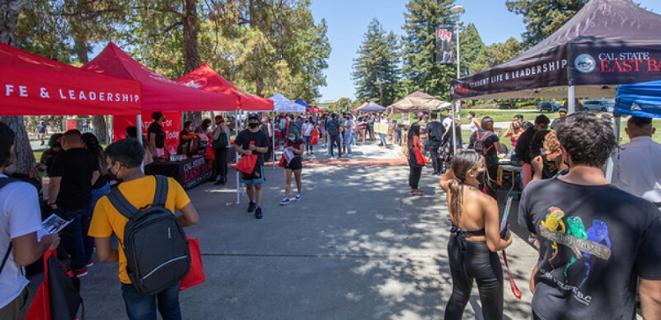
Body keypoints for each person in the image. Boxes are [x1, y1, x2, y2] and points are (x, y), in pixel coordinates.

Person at [519, 112, 661, 320]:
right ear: (608, 152)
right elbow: (653, 294)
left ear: (564, 151)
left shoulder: (535, 191)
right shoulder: (645, 214)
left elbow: (542, 242)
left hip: (546, 308)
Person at [88, 139, 199, 320]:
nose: (108, 169)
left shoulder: (106, 203)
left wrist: (133, 254)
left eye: (109, 164)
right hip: (170, 262)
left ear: (119, 165)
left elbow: (103, 254)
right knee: (171, 308)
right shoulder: (168, 184)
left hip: (134, 276)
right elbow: (193, 218)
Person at [440, 150, 513, 320]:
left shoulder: (452, 188)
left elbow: (443, 178)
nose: (484, 170)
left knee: (459, 294)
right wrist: (508, 240)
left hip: (456, 246)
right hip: (481, 255)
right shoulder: (487, 201)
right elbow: (494, 244)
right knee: (492, 306)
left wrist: (456, 165)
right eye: (482, 167)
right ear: (471, 173)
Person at [0, 123, 59, 320]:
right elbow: (25, 256)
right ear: (9, 149)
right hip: (5, 294)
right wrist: (47, 240)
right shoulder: (18, 192)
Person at [47, 129, 99, 278]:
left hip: (68, 202)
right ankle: (86, 259)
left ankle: (78, 265)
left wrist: (52, 202)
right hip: (85, 199)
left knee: (73, 234)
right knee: (86, 230)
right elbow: (96, 173)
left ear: (64, 141)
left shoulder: (61, 157)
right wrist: (87, 185)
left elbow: (54, 183)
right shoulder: (89, 155)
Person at [612, 116, 661, 205]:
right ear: (653, 130)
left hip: (629, 206)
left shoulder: (618, 153)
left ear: (626, 131)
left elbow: (612, 180)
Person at [82, 133, 111, 266]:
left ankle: (96, 243)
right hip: (104, 185)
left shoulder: (90, 154)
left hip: (96, 188)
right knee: (102, 215)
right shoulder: (100, 151)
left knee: (93, 217)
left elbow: (95, 173)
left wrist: (86, 187)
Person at [234, 114, 270, 219]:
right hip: (246, 163)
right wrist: (244, 151)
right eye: (251, 120)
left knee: (258, 186)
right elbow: (235, 145)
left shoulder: (262, 134)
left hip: (258, 163)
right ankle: (251, 202)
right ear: (248, 122)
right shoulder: (243, 134)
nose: (253, 122)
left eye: (255, 120)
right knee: (248, 185)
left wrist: (255, 148)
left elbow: (266, 149)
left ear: (258, 122)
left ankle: (258, 208)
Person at [469, 117, 503, 197]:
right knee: (491, 182)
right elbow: (500, 150)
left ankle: (478, 196)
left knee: (478, 180)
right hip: (490, 162)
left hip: (476, 160)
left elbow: (470, 146)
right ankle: (490, 198)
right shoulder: (493, 136)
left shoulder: (474, 134)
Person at [515, 115, 550, 187]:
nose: (544, 129)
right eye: (542, 127)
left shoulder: (548, 134)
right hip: (529, 165)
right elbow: (519, 150)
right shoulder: (525, 135)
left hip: (544, 167)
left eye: (546, 127)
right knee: (529, 187)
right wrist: (523, 163)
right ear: (536, 124)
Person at [280, 133, 304, 206]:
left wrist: (293, 149)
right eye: (289, 135)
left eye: (292, 135)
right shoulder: (287, 141)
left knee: (298, 179)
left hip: (296, 161)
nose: (291, 137)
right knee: (287, 180)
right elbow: (284, 149)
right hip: (288, 162)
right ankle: (286, 197)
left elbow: (301, 152)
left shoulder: (300, 141)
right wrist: (284, 148)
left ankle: (299, 193)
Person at [212, 116, 231, 185]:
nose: (215, 121)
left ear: (218, 120)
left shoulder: (219, 127)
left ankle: (222, 178)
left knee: (220, 163)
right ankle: (224, 176)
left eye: (216, 119)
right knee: (224, 162)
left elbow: (215, 138)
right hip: (226, 146)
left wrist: (212, 134)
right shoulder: (226, 127)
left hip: (221, 147)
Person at [407, 123, 424, 196]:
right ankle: (414, 189)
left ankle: (412, 188)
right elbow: (419, 145)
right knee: (416, 173)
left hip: (411, 155)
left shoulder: (410, 135)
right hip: (415, 156)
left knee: (412, 172)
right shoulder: (415, 137)